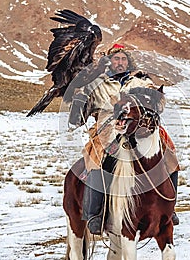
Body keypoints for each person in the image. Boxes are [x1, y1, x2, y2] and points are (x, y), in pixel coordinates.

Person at [69, 44, 179, 235]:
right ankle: (95, 213)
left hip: (141, 128)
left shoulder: (140, 81)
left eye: (123, 59)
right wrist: (79, 99)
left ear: (128, 62)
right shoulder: (97, 85)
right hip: (108, 131)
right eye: (116, 59)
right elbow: (78, 118)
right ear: (109, 62)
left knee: (169, 156)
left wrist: (156, 100)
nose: (120, 63)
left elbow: (158, 102)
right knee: (99, 161)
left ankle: (170, 206)